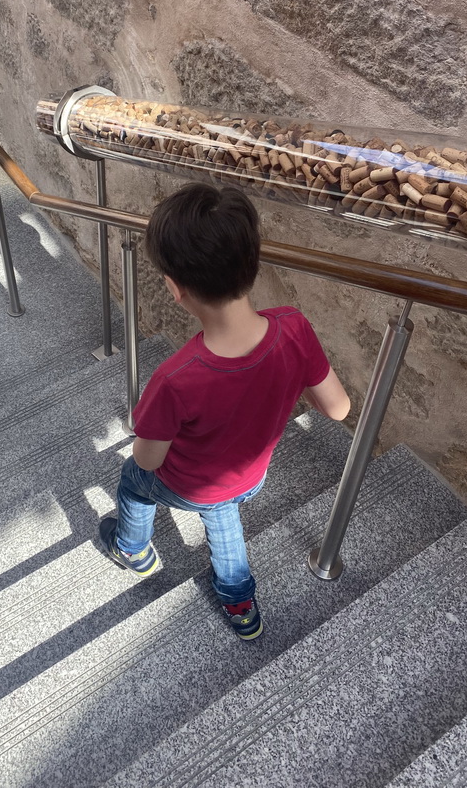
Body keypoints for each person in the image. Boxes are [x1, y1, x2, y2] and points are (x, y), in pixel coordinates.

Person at [99, 182, 350, 640]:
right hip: (249, 478)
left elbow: (148, 460)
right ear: (253, 263)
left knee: (134, 485)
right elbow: (338, 407)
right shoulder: (293, 327)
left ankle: (133, 550)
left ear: (175, 288)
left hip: (192, 485)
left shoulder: (177, 378)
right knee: (222, 515)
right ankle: (241, 606)